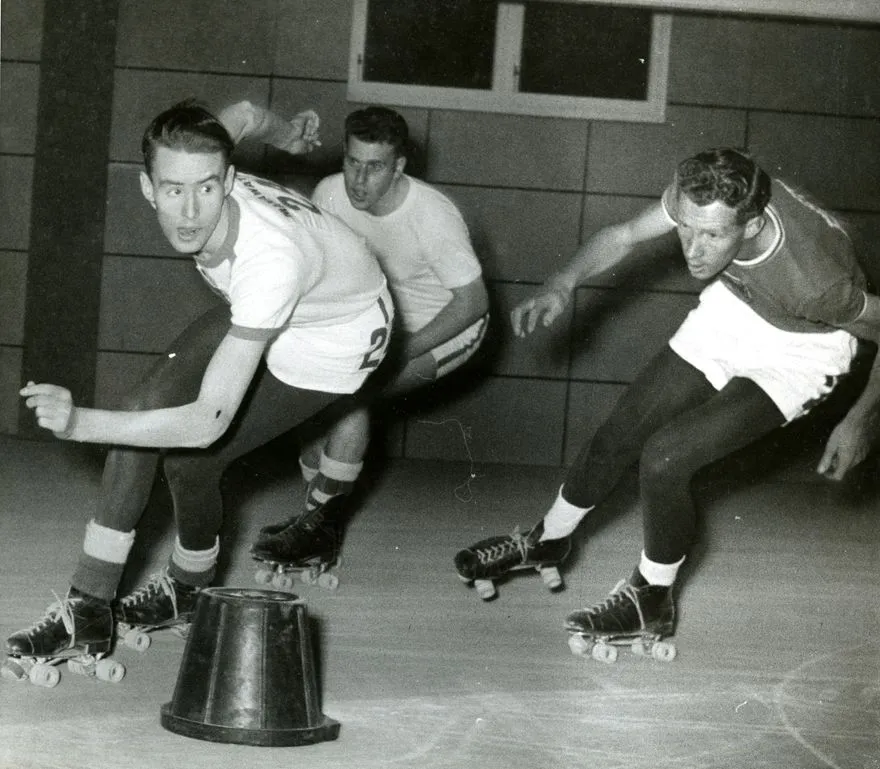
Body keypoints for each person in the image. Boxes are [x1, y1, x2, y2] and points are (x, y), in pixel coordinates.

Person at [6, 100, 393, 666]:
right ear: (147, 186)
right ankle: (89, 607)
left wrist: (79, 422)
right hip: (299, 292)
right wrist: (291, 136)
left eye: (208, 190)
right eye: (173, 190)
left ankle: (187, 590)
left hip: (337, 337)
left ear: (230, 179)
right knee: (144, 407)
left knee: (192, 461)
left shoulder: (269, 265)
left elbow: (208, 418)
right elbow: (244, 113)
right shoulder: (206, 146)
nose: (189, 212)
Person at [454, 148, 880, 648]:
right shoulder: (710, 192)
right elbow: (623, 235)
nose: (693, 251)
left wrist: (860, 418)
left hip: (805, 345)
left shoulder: (819, 284)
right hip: (739, 309)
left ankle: (651, 597)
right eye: (686, 228)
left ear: (753, 224)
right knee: (621, 432)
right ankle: (547, 539)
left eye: (713, 235)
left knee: (666, 458)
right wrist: (563, 282)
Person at [224, 104, 489, 565]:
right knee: (309, 397)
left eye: (375, 167)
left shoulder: (431, 216)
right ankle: (315, 519)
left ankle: (320, 523)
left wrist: (399, 350)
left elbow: (473, 303)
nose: (358, 180)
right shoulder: (329, 193)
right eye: (352, 162)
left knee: (351, 395)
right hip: (376, 319)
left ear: (399, 166)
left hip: (445, 327)